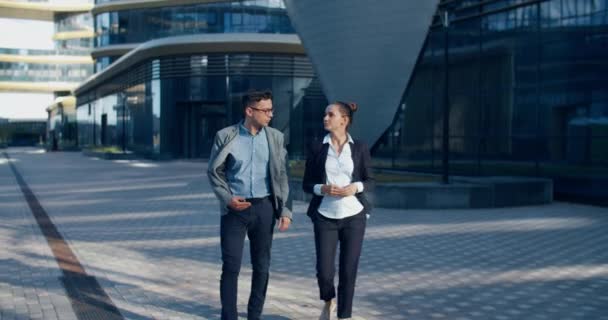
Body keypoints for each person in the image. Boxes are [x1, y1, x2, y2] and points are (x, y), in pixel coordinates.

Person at [208, 89, 292, 320]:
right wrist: (227, 199)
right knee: (231, 266)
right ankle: (229, 316)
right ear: (249, 111)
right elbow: (214, 172)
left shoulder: (275, 137)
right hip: (235, 209)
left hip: (265, 208)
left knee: (262, 267)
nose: (270, 114)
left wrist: (285, 209)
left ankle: (254, 315)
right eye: (266, 110)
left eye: (271, 110)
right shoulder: (226, 135)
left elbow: (282, 175)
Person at [302, 101, 374, 320]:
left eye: (330, 115)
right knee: (324, 271)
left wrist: (356, 187)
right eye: (325, 114)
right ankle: (328, 300)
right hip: (325, 216)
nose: (325, 118)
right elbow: (306, 183)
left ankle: (344, 316)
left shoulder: (359, 147)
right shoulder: (317, 146)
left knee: (348, 270)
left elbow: (369, 179)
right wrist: (322, 188)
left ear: (344, 120)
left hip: (354, 216)